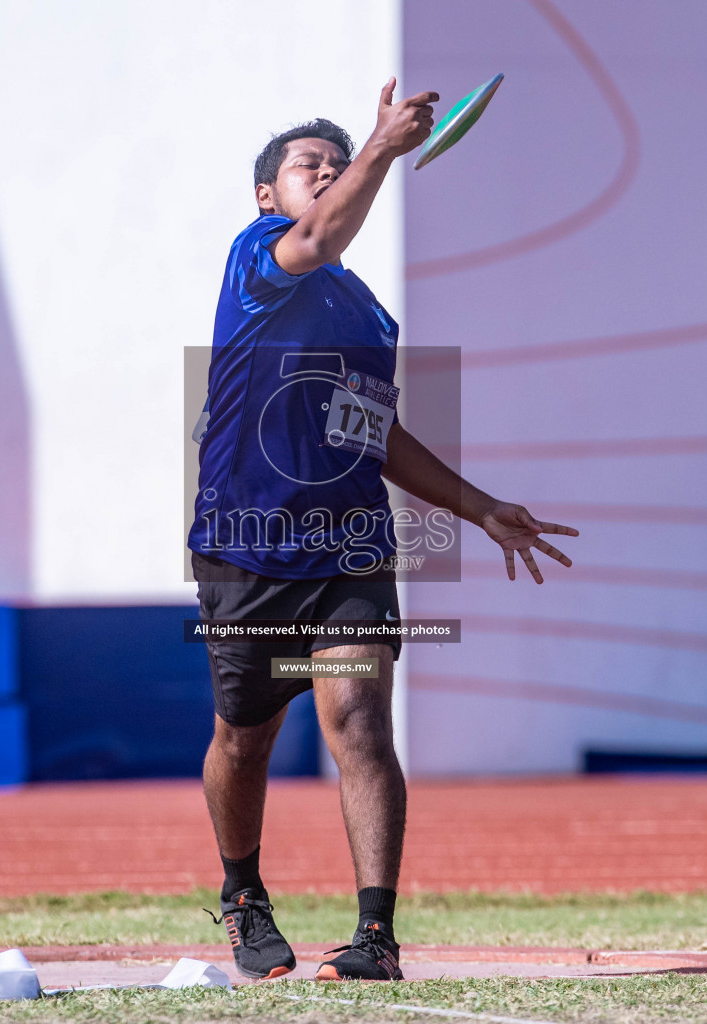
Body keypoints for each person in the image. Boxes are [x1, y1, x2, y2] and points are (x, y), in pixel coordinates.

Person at [190, 80, 579, 981]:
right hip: (247, 545)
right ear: (266, 196)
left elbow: (377, 430)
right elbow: (320, 233)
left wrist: (478, 507)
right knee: (244, 737)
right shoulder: (259, 257)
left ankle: (376, 937)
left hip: (352, 548)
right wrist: (378, 147)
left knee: (359, 719)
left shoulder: (365, 311)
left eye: (336, 165)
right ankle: (243, 893)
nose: (323, 175)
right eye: (305, 168)